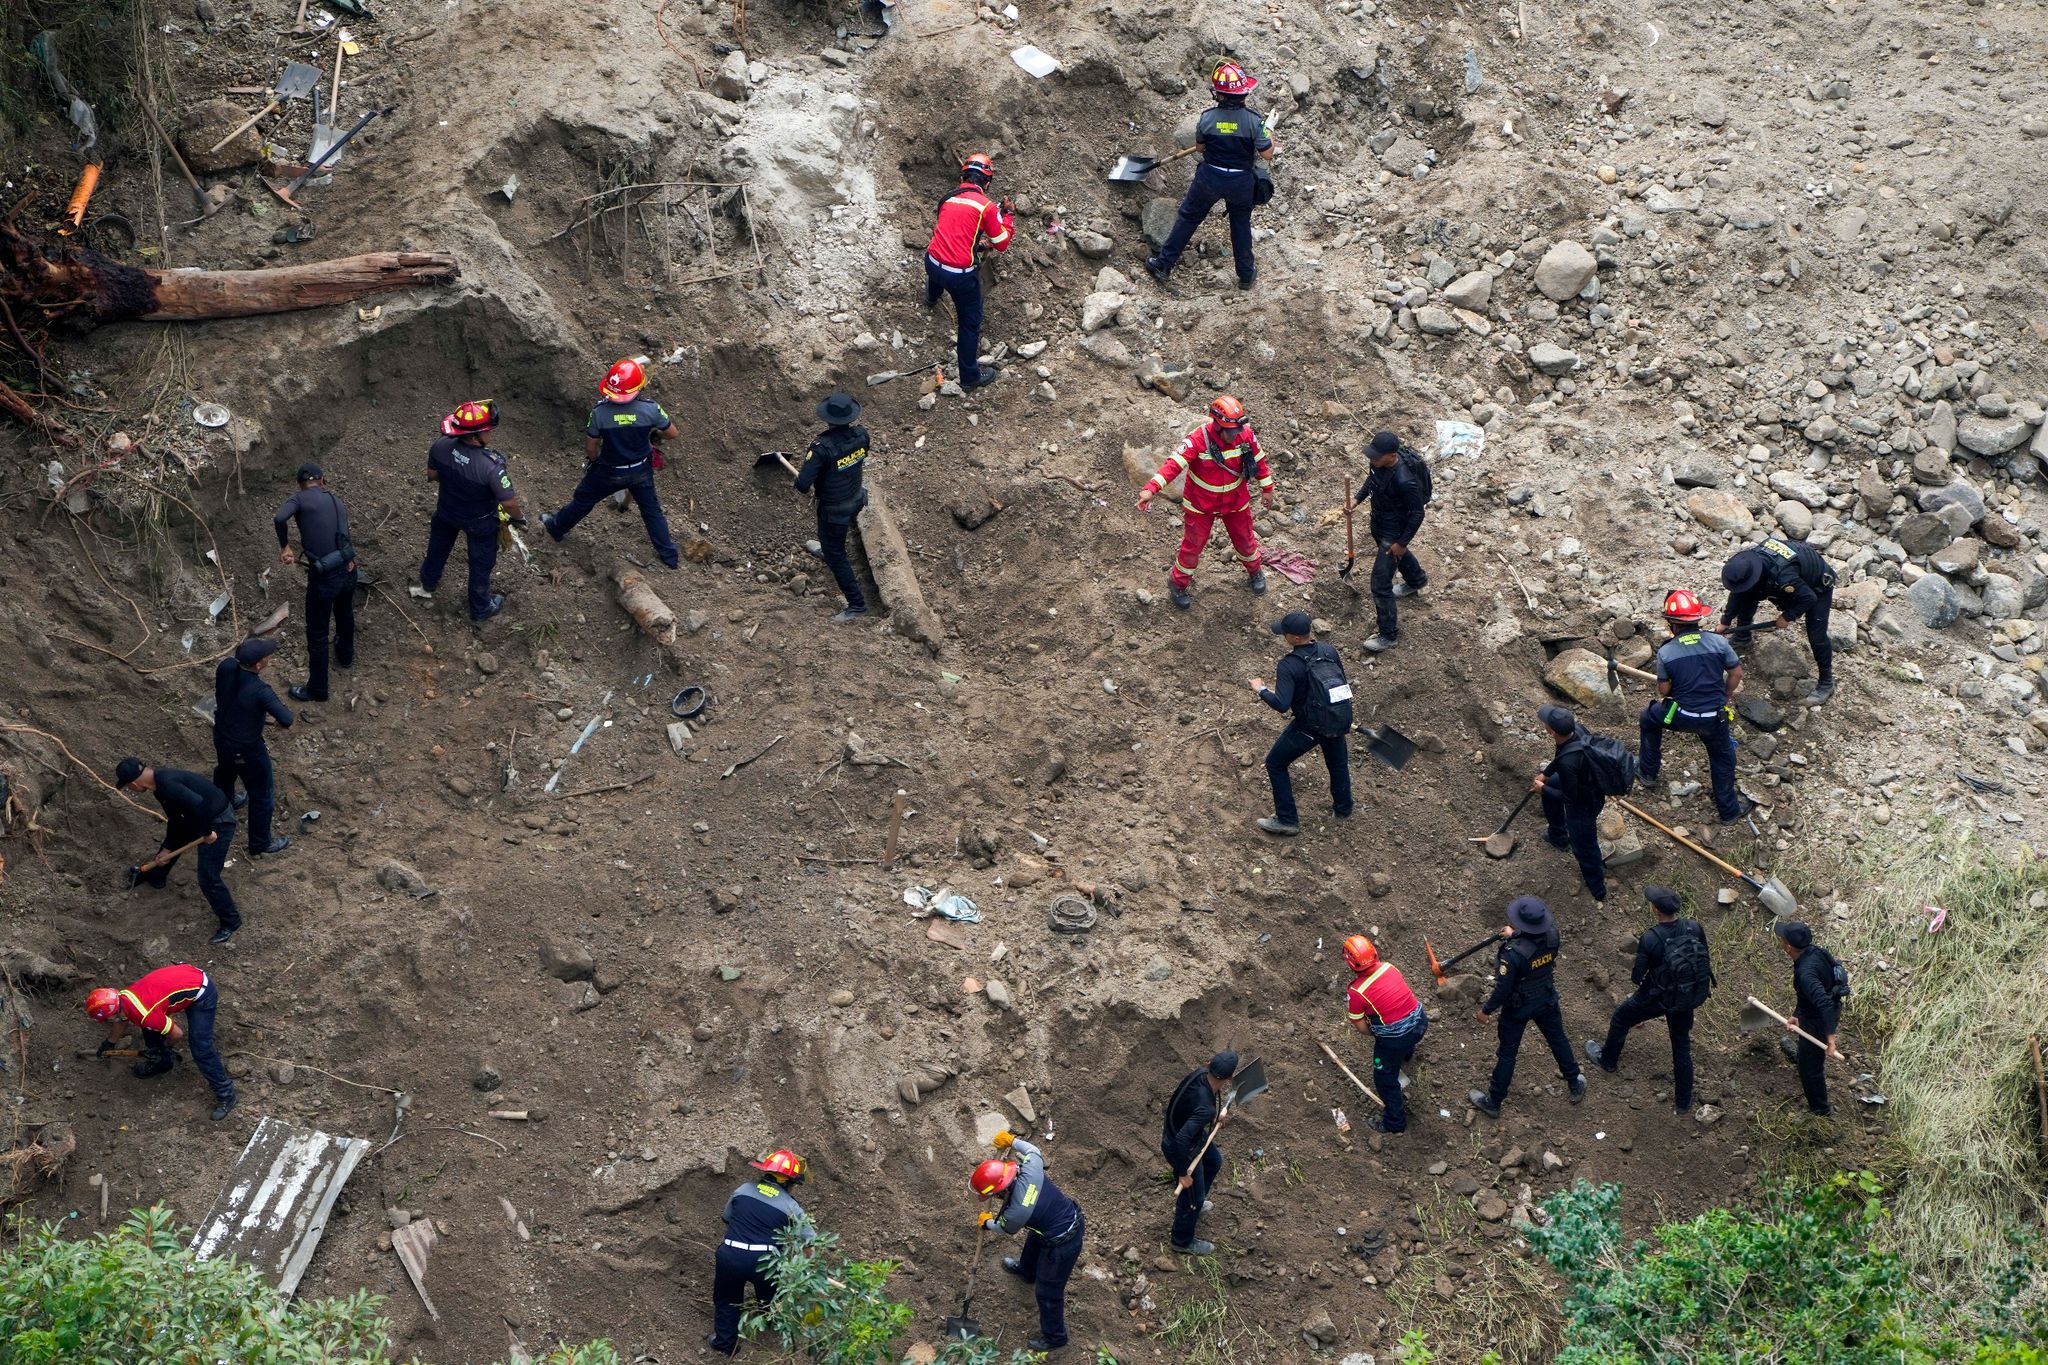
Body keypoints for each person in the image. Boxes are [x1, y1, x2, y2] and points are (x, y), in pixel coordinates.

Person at [1143, 62, 1275, 290]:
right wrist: (1269, 130)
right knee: (1240, 225)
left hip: (1209, 178)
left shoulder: (1207, 118)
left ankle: (1163, 264)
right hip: (1241, 182)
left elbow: (1201, 148)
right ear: (1244, 93)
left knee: (1188, 218)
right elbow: (1267, 154)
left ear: (1219, 95)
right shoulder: (1256, 122)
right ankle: (1245, 275)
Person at [542, 359, 681, 570]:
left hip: (608, 471)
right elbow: (672, 433)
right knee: (652, 511)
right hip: (641, 469)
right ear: (640, 386)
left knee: (583, 500)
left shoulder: (600, 413)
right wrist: (655, 434)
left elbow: (591, 447)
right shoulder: (651, 409)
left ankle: (556, 527)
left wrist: (596, 461)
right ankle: (669, 556)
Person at [1136, 395, 1273, 609]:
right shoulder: (1197, 439)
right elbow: (1173, 465)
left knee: (1246, 541)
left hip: (1235, 503)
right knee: (1193, 546)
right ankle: (1177, 583)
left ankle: (1255, 571)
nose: (1236, 435)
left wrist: (1267, 488)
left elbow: (1259, 460)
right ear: (1217, 426)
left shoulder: (1244, 434)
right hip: (1201, 506)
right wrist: (1151, 488)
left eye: (1237, 430)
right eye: (1231, 431)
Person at [1584, 887, 1712, 1114]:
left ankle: (1608, 1061)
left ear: (1655, 910)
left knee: (1622, 1018)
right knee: (1681, 1045)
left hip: (1657, 998)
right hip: (1685, 998)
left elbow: (1636, 978)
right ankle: (1683, 1103)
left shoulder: (1651, 938)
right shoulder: (1694, 927)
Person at [1639, 588, 1750, 823]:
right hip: (1714, 718)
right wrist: (1726, 693)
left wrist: (1673, 680)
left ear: (1672, 624)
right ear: (1699, 619)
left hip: (1680, 716)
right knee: (1722, 758)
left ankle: (1648, 773)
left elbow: (1664, 690)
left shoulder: (1667, 652)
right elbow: (1736, 673)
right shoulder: (1719, 642)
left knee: (1648, 719)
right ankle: (1729, 812)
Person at [1468, 896, 1585, 1117]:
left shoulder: (1512, 954)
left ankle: (1494, 1101)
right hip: (1546, 997)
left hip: (1518, 1007)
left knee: (1507, 1054)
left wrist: (1486, 1010)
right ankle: (1574, 1082)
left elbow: (1502, 989)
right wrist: (1517, 936)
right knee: (1558, 1039)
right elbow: (1538, 949)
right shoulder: (1553, 935)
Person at [975, 1130, 1084, 1352]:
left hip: (1062, 1244)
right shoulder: (1031, 1167)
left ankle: (1055, 1338)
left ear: (999, 1192)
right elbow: (1033, 1149)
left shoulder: (1016, 1213)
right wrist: (1012, 1141)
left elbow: (1003, 1228)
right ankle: (1027, 1271)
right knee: (1034, 1238)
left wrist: (987, 1223)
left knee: (1047, 1293)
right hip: (1063, 1217)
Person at [85, 964, 236, 1122]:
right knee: (150, 1031)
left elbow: (177, 1034)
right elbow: (122, 1018)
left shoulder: (145, 1015)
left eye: (104, 1020)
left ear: (111, 1015)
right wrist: (110, 1042)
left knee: (201, 1048)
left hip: (201, 992)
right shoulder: (123, 998)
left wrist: (165, 1047)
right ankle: (162, 1064)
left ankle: (226, 1093)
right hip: (184, 977)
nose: (104, 1023)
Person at [116, 757, 241, 945]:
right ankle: (156, 876)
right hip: (198, 817)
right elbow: (176, 820)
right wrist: (167, 848)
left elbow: (197, 803)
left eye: (128, 787)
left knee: (208, 876)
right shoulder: (160, 786)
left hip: (218, 820)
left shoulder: (167, 785)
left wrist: (207, 833)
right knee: (171, 845)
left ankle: (231, 921)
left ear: (133, 784)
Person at [419, 400, 525, 622]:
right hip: (479, 522)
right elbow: (508, 503)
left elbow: (432, 475)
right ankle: (480, 608)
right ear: (476, 435)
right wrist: (518, 519)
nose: (491, 435)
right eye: (488, 431)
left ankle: (428, 581)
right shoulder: (491, 467)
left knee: (437, 547)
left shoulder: (440, 446)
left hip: (447, 511)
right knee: (481, 563)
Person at [1249, 611, 1353, 836]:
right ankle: (1343, 809)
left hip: (1308, 727)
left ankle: (1287, 819)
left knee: (1275, 763)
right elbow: (1339, 686)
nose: (1283, 636)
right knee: (1338, 766)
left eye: (1285, 633)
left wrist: (1261, 689)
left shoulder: (1288, 665)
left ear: (1295, 638)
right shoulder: (1329, 651)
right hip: (1334, 721)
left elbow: (1281, 704)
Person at [707, 1149, 813, 1356]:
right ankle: (769, 1324)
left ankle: (725, 1344)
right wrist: (808, 1268)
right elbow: (809, 1241)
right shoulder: (791, 1207)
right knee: (770, 1298)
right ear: (788, 1183)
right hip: (764, 1262)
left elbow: (727, 1217)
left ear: (765, 1174)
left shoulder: (743, 1190)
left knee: (727, 1299)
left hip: (730, 1255)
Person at [924, 152, 1013, 390]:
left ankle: (931, 298)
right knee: (969, 324)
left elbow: (953, 232)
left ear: (962, 176)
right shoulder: (986, 207)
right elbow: (1002, 243)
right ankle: (970, 377)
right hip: (960, 276)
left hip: (932, 263)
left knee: (936, 265)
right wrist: (1008, 218)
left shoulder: (947, 198)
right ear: (986, 182)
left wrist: (980, 243)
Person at [273, 463, 356, 703]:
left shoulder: (299, 500)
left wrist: (285, 546)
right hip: (349, 569)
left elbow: (279, 518)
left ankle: (318, 690)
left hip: (324, 578)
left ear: (299, 484)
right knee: (345, 614)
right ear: (323, 481)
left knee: (318, 634)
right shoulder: (336, 501)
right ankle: (346, 656)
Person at [1722, 537, 1839, 706]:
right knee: (1748, 595)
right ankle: (1742, 637)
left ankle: (1826, 683)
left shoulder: (1783, 576)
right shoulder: (1750, 563)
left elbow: (1808, 598)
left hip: (1816, 585)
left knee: (1817, 635)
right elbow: (1738, 593)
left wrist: (1787, 616)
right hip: (1785, 576)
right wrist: (1725, 621)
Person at [211, 638, 293, 859]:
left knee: (225, 772)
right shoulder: (260, 690)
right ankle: (259, 842)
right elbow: (287, 718)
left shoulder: (226, 667)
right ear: (258, 665)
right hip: (246, 748)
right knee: (262, 794)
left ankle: (222, 804)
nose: (268, 658)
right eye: (266, 656)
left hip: (221, 736)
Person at [1348, 432, 1429, 653]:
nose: (1372, 459)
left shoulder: (1405, 480)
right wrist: (1357, 500)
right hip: (1380, 522)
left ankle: (1388, 635)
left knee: (1380, 585)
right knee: (1395, 555)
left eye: (1377, 456)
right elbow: (1371, 480)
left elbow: (1416, 514)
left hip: (1394, 532)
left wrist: (1401, 542)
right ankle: (1416, 580)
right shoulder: (1377, 464)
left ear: (1391, 456)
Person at [795, 392, 872, 623]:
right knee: (834, 541)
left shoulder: (821, 448)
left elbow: (802, 485)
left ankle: (857, 605)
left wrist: (806, 474)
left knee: (837, 555)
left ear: (827, 418)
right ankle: (827, 549)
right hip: (857, 498)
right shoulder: (862, 435)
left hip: (834, 511)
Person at [1343, 935, 1427, 1134]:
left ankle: (1394, 1123)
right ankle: (1406, 1055)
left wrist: (1375, 1034)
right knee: (1405, 1041)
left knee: (1384, 1078)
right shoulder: (1389, 967)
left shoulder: (1357, 991)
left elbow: (1360, 1025)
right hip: (1421, 1022)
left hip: (1395, 1040)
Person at [1161, 1051, 1238, 1255]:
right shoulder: (1206, 1107)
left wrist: (1216, 1118)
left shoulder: (1200, 1074)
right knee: (1191, 1194)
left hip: (1189, 1137)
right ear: (1229, 1078)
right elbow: (1181, 1140)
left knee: (1214, 1161)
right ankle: (1182, 1240)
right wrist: (1183, 1173)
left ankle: (1197, 1199)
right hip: (1182, 1149)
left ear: (1208, 1064)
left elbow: (1193, 1110)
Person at [1535, 704, 1605, 903]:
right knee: (1551, 787)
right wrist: (1546, 774)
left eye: (1546, 723)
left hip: (1584, 804)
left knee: (1585, 845)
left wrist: (1544, 788)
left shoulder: (1568, 763)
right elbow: (1561, 756)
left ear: (1553, 731)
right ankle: (1558, 835)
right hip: (1583, 783)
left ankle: (1597, 887)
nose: (1544, 724)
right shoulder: (1576, 731)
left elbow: (1569, 798)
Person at [1773, 920, 1843, 1116]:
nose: (1780, 940)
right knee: (1807, 1052)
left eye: (1782, 938)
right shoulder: (1815, 951)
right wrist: (1797, 1015)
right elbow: (1808, 997)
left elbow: (1824, 1004)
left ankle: (1820, 1110)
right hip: (1818, 1010)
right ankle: (1804, 1057)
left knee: (1810, 1069)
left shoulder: (1806, 973)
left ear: (1788, 947)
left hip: (1819, 1020)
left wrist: (1830, 1040)